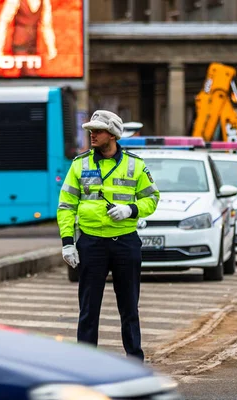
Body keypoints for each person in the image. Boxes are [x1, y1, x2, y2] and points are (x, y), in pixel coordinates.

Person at [57, 110, 160, 362]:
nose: (92, 135)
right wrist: (68, 243)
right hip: (91, 243)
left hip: (125, 242)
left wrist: (131, 209)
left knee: (129, 308)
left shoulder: (135, 165)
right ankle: (86, 362)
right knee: (89, 309)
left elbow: (152, 198)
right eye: (91, 130)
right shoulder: (80, 164)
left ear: (113, 135)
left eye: (98, 131)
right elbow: (66, 206)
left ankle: (134, 360)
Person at [0, 0, 57, 76]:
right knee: (30, 75)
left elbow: (47, 26)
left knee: (27, 76)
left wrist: (51, 47)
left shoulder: (44, 2)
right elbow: (3, 23)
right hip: (19, 46)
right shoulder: (15, 1)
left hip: (33, 47)